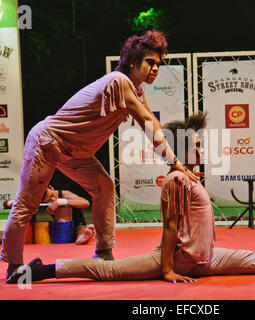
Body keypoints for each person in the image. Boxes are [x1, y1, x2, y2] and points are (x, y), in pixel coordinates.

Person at [6, 113, 255, 284]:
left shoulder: (189, 177)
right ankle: (44, 269)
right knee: (105, 270)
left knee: (254, 258)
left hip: (207, 259)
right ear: (180, 147)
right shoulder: (174, 180)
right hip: (180, 261)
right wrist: (167, 269)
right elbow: (170, 226)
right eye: (195, 144)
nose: (200, 148)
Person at [1, 30, 199, 281]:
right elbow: (148, 122)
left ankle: (103, 253)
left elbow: (153, 124)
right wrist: (175, 163)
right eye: (150, 62)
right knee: (26, 205)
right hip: (48, 142)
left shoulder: (136, 90)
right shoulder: (118, 82)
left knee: (104, 186)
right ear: (132, 62)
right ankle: (14, 268)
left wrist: (176, 160)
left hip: (76, 152)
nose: (155, 68)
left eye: (158, 64)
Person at [3, 185, 95, 245]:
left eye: (51, 195)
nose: (52, 199)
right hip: (56, 227)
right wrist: (14, 202)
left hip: (77, 223)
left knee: (80, 231)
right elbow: (5, 203)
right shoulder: (35, 196)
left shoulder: (64, 194)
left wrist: (60, 202)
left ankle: (83, 236)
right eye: (48, 200)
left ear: (51, 188)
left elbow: (85, 202)